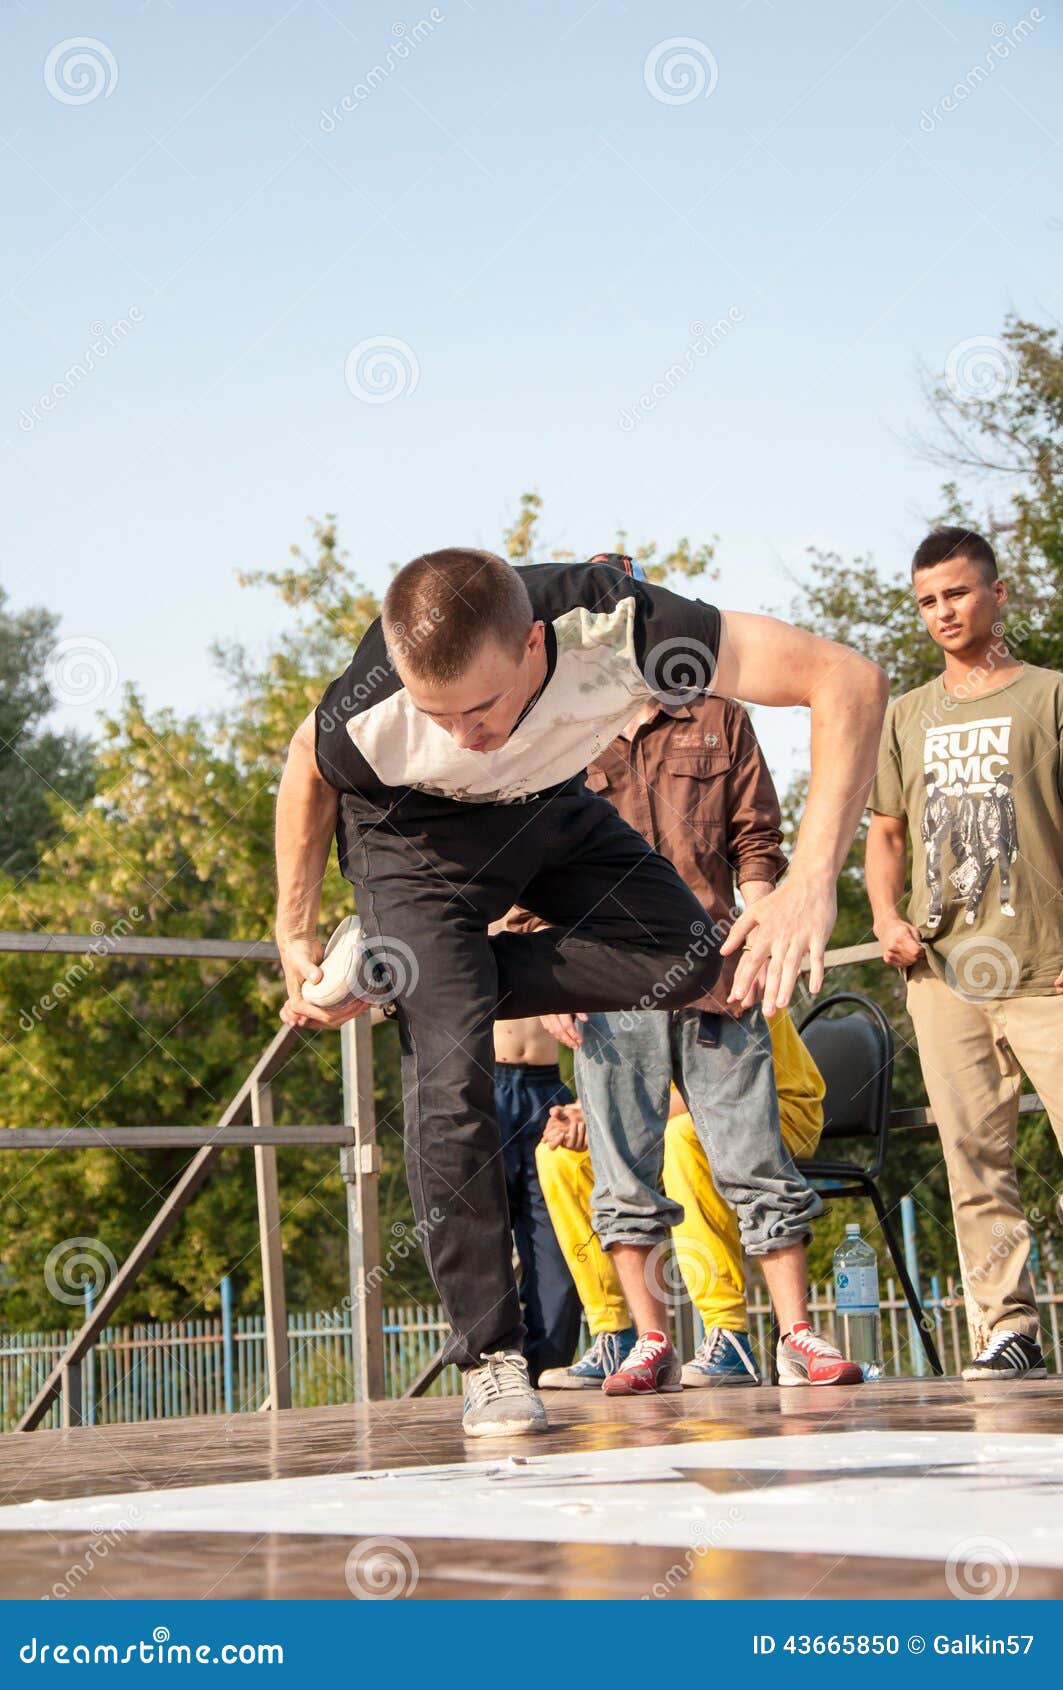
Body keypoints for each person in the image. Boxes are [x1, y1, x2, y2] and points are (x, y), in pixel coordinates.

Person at [275, 548, 886, 1436]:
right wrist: (293, 928)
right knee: (452, 1076)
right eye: (436, 715)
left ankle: (420, 973)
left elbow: (847, 680)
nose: (463, 735)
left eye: (480, 707)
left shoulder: (626, 626)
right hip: (413, 844)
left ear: (530, 644)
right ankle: (489, 1356)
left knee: (698, 971)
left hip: (545, 812)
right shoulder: (367, 709)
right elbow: (306, 762)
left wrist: (812, 880)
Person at [534, 692, 860, 1391]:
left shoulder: (716, 715)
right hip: (608, 976)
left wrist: (763, 915)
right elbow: (535, 863)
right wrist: (552, 974)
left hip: (716, 967)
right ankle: (649, 1342)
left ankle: (796, 1333)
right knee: (619, 1167)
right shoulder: (558, 727)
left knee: (752, 1154)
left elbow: (755, 832)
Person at [867, 525, 1063, 1381]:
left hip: (1044, 967)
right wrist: (882, 917)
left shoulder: (1048, 697)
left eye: (955, 593)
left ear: (995, 593)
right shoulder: (906, 714)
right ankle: (1006, 1329)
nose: (941, 612)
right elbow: (883, 835)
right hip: (942, 976)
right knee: (972, 1161)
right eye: (926, 601)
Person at [537, 1004, 825, 1388]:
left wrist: (593, 1117)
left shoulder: (705, 959)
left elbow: (720, 1091)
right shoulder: (628, 980)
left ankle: (728, 1333)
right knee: (560, 1158)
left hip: (777, 1106)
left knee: (682, 1138)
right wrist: (583, 1115)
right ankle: (618, 1335)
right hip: (672, 1110)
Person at [491, 1010, 582, 1384]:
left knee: (559, 1249)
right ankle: (496, 1371)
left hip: (548, 1091)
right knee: (484, 1246)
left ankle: (546, 1372)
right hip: (486, 1083)